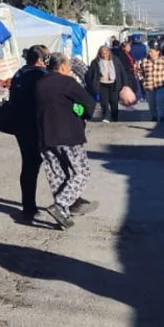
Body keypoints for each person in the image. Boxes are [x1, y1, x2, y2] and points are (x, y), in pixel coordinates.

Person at [35, 52, 98, 229]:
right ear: (62, 66)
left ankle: (62, 215)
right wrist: (84, 114)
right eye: (68, 64)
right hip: (68, 135)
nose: (70, 67)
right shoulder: (67, 82)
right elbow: (89, 104)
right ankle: (61, 204)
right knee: (82, 172)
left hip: (45, 136)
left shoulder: (39, 84)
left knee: (57, 174)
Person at [8, 45, 49, 223]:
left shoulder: (19, 73)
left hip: (19, 124)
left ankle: (28, 206)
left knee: (29, 165)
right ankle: (62, 203)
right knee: (45, 163)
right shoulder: (40, 75)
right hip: (35, 125)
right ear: (40, 60)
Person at [85, 45, 130, 123]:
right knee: (104, 102)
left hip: (114, 84)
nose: (104, 55)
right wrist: (91, 85)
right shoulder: (96, 62)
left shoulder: (115, 60)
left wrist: (125, 84)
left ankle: (115, 116)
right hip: (102, 84)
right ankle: (106, 116)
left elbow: (122, 72)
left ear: (109, 52)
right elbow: (89, 74)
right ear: (99, 53)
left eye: (106, 53)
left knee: (114, 101)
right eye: (102, 53)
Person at [136, 45, 164, 123]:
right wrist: (142, 80)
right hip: (149, 85)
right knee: (151, 102)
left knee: (160, 101)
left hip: (161, 85)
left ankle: (162, 116)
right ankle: (154, 116)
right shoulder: (144, 61)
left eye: (152, 51)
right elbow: (139, 71)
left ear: (157, 52)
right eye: (149, 51)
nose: (150, 53)